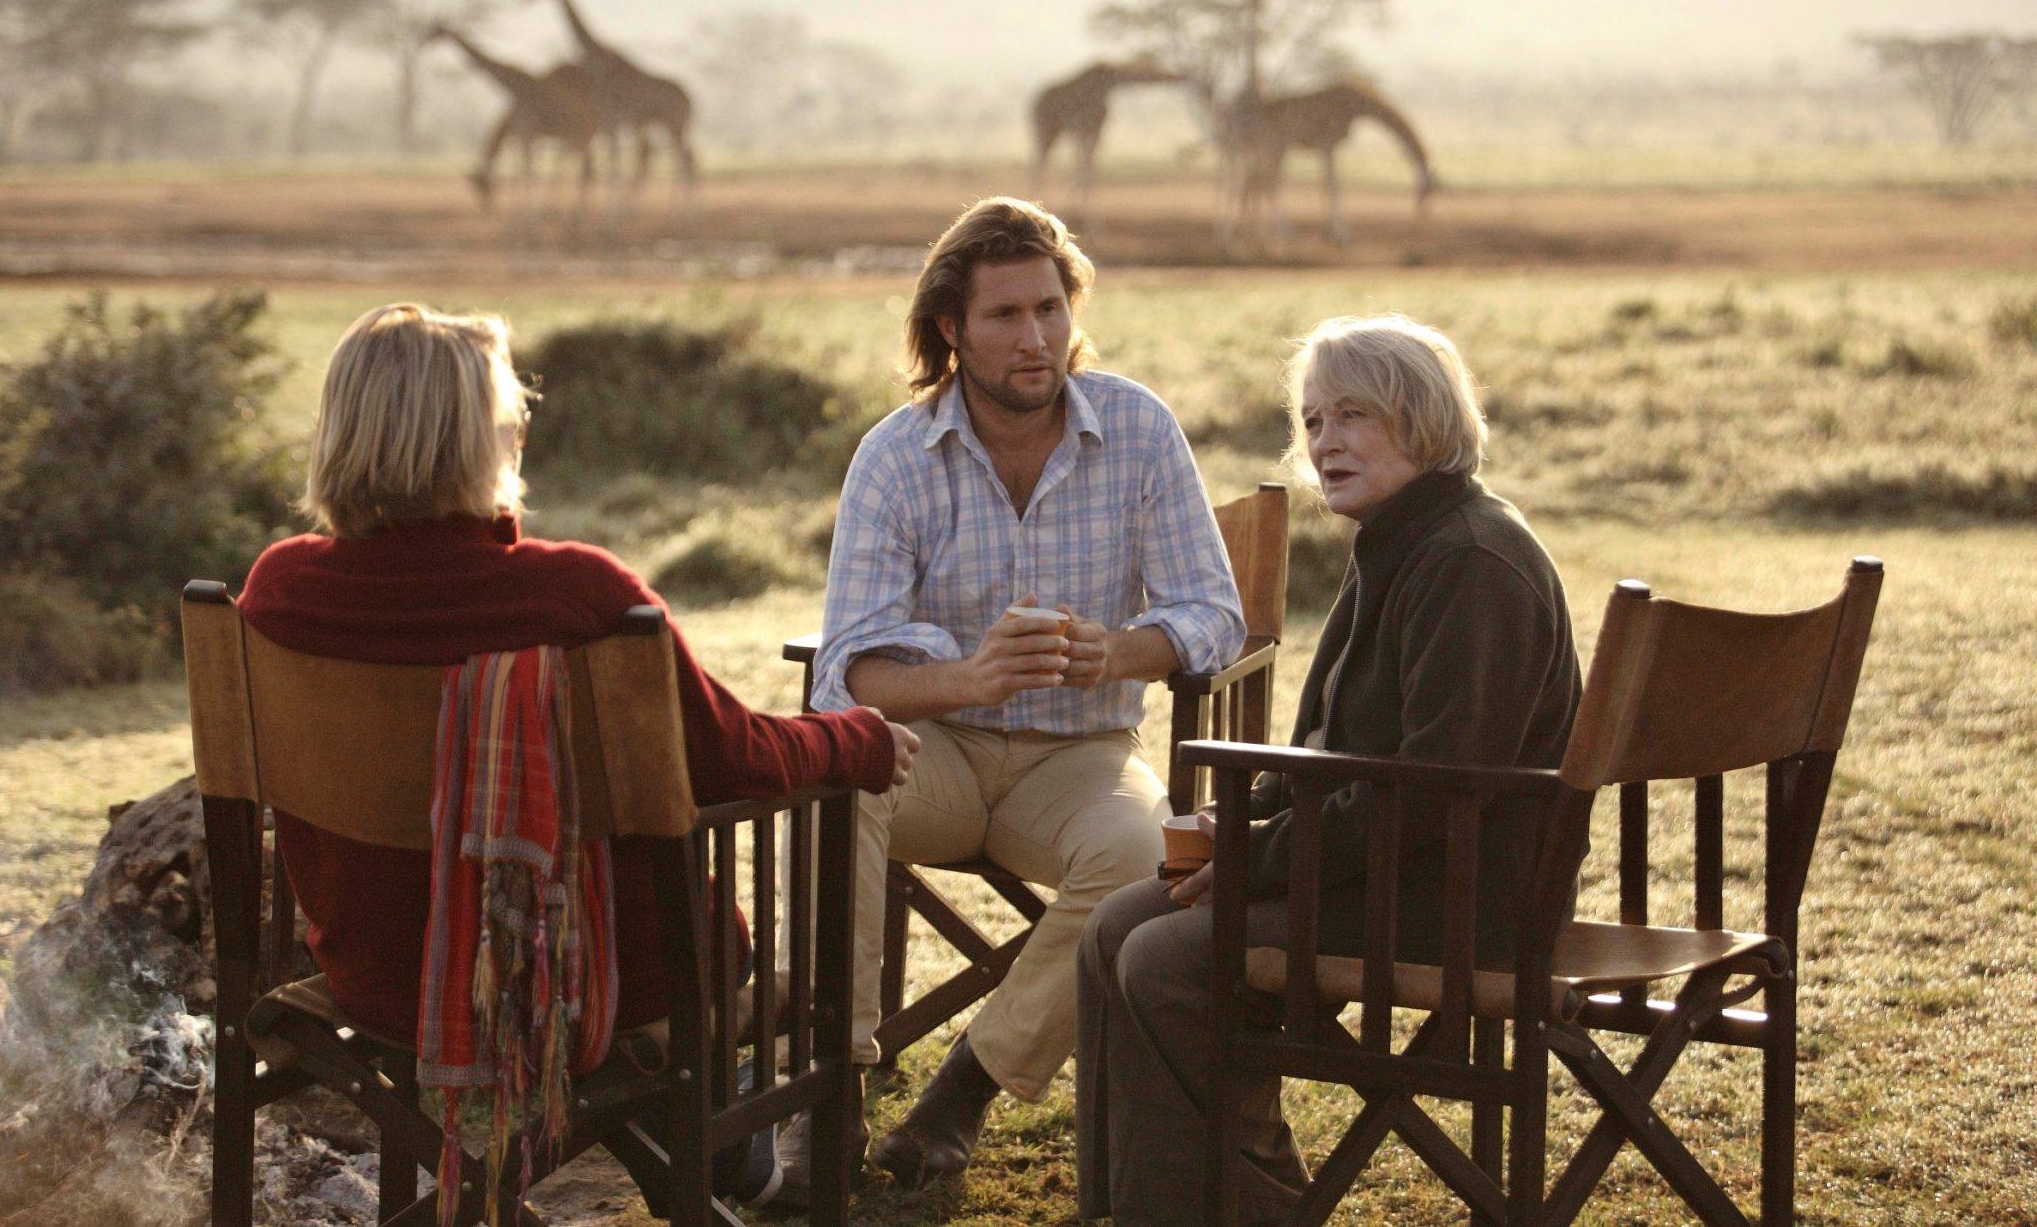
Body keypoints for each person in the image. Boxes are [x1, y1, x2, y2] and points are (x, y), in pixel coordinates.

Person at [237, 303, 919, 1204]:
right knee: (721, 961)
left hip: (379, 978)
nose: (521, 422)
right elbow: (732, 759)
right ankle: (718, 1126)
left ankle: (710, 1135)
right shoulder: (577, 594)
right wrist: (856, 737)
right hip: (603, 988)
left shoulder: (276, 590)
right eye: (509, 408)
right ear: (480, 440)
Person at [1075, 314, 1583, 1225]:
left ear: (1424, 420)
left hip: (1457, 896)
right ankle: (1153, 1206)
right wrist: (1245, 829)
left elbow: (1434, 790)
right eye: (1313, 420)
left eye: (1353, 414)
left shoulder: (1469, 559)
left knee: (1168, 958)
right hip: (1388, 865)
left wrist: (1263, 853)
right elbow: (1330, 752)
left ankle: (1215, 1210)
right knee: (1115, 926)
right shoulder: (1398, 539)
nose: (1324, 441)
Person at [801, 196, 1246, 1194]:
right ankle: (831, 1088)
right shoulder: (892, 454)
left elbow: (1214, 614)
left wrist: (1115, 654)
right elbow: (848, 669)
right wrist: (969, 675)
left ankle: (963, 1090)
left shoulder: (1135, 427)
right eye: (1004, 316)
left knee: (1141, 853)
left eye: (1048, 308)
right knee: (840, 786)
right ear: (950, 330)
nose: (1034, 337)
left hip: (1080, 756)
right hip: (937, 748)